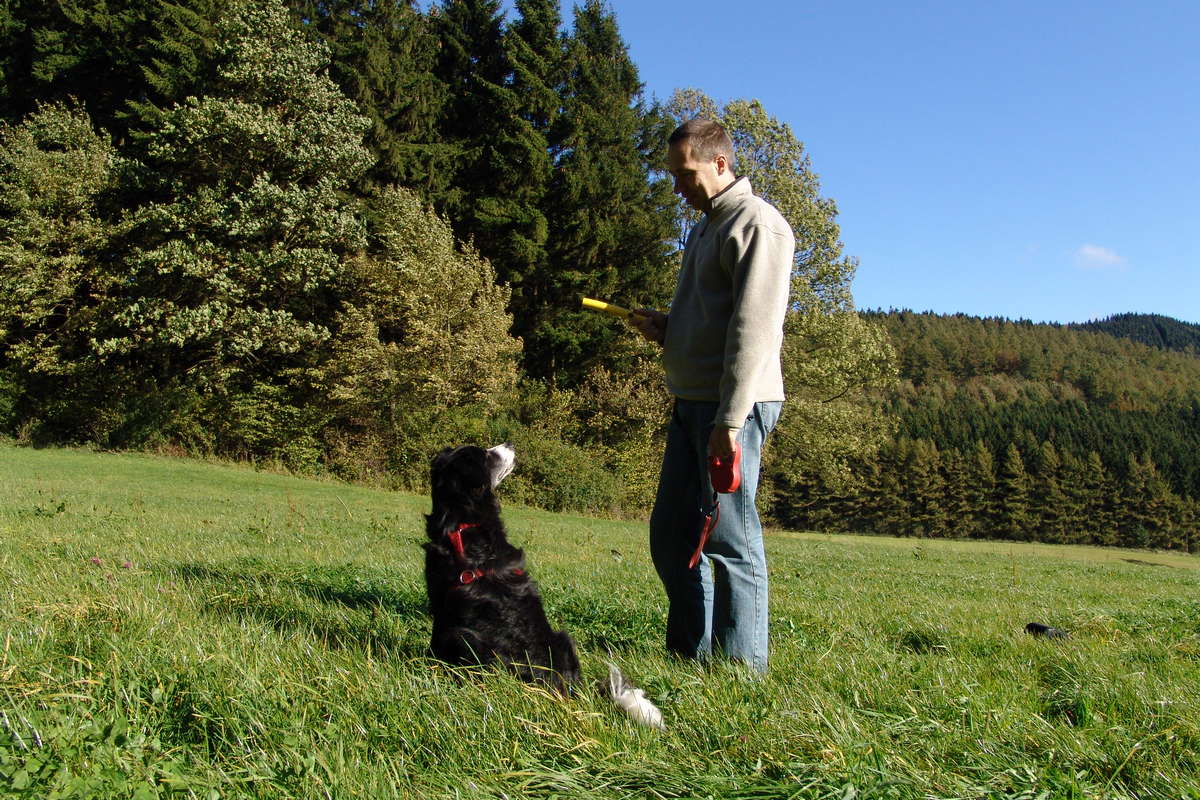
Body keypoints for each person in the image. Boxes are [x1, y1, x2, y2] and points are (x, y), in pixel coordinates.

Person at [629, 118, 794, 673]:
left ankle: (740, 674)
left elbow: (754, 331)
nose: (677, 185)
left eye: (685, 173)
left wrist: (729, 419)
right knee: (672, 536)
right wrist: (671, 327)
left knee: (729, 538)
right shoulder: (705, 226)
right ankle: (689, 657)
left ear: (719, 163)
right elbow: (714, 319)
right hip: (691, 402)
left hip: (732, 410)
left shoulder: (758, 224)